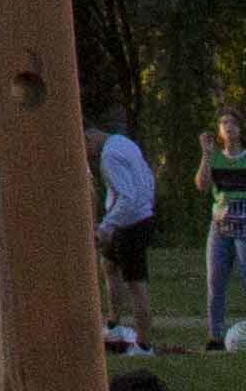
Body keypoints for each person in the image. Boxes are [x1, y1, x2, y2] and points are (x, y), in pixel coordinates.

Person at [194, 106, 246, 349]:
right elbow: (202, 184)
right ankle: (215, 336)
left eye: (233, 123)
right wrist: (206, 155)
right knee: (215, 280)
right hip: (220, 225)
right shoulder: (216, 159)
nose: (228, 127)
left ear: (240, 129)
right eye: (223, 123)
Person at [95, 112, 160, 350]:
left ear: (89, 137)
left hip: (132, 222)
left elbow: (127, 196)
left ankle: (144, 345)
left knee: (135, 282)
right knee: (109, 266)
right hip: (130, 217)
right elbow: (148, 178)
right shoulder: (124, 142)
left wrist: (106, 226)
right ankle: (114, 325)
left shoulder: (109, 156)